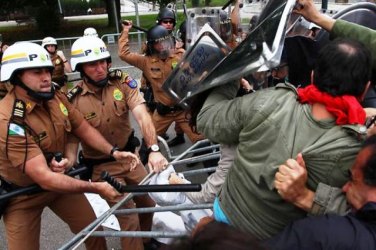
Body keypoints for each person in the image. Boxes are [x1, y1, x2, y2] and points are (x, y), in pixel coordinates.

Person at [196, 37, 372, 239]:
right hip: (277, 241)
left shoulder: (269, 100)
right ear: (365, 89)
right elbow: (361, 217)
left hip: (222, 220)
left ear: (313, 76)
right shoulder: (359, 152)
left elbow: (207, 119)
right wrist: (309, 198)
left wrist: (235, 75)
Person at [0, 41, 139, 250]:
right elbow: (43, 177)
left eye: (47, 71)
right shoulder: (9, 120)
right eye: (37, 72)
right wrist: (96, 187)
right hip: (22, 196)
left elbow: (82, 127)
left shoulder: (54, 96)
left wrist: (114, 152)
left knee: (92, 229)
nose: (46, 77)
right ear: (16, 76)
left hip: (60, 185)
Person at [68, 35, 168, 250]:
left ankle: (146, 241)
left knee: (148, 203)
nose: (100, 68)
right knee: (129, 216)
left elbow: (142, 116)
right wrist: (67, 165)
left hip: (131, 159)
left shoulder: (122, 82)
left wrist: (154, 149)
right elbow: (71, 142)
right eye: (92, 64)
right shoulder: (73, 100)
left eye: (103, 61)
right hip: (102, 167)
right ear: (81, 68)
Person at [264, 135, 376, 249]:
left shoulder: (321, 236)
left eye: (353, 180)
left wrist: (303, 197)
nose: (345, 188)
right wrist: (304, 197)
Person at [119, 22, 203, 148]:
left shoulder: (181, 55)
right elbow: (123, 54)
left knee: (201, 140)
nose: (163, 46)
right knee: (148, 142)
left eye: (165, 42)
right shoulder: (145, 61)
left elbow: (198, 72)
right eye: (158, 43)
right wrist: (126, 31)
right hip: (162, 112)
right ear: (152, 46)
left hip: (183, 110)